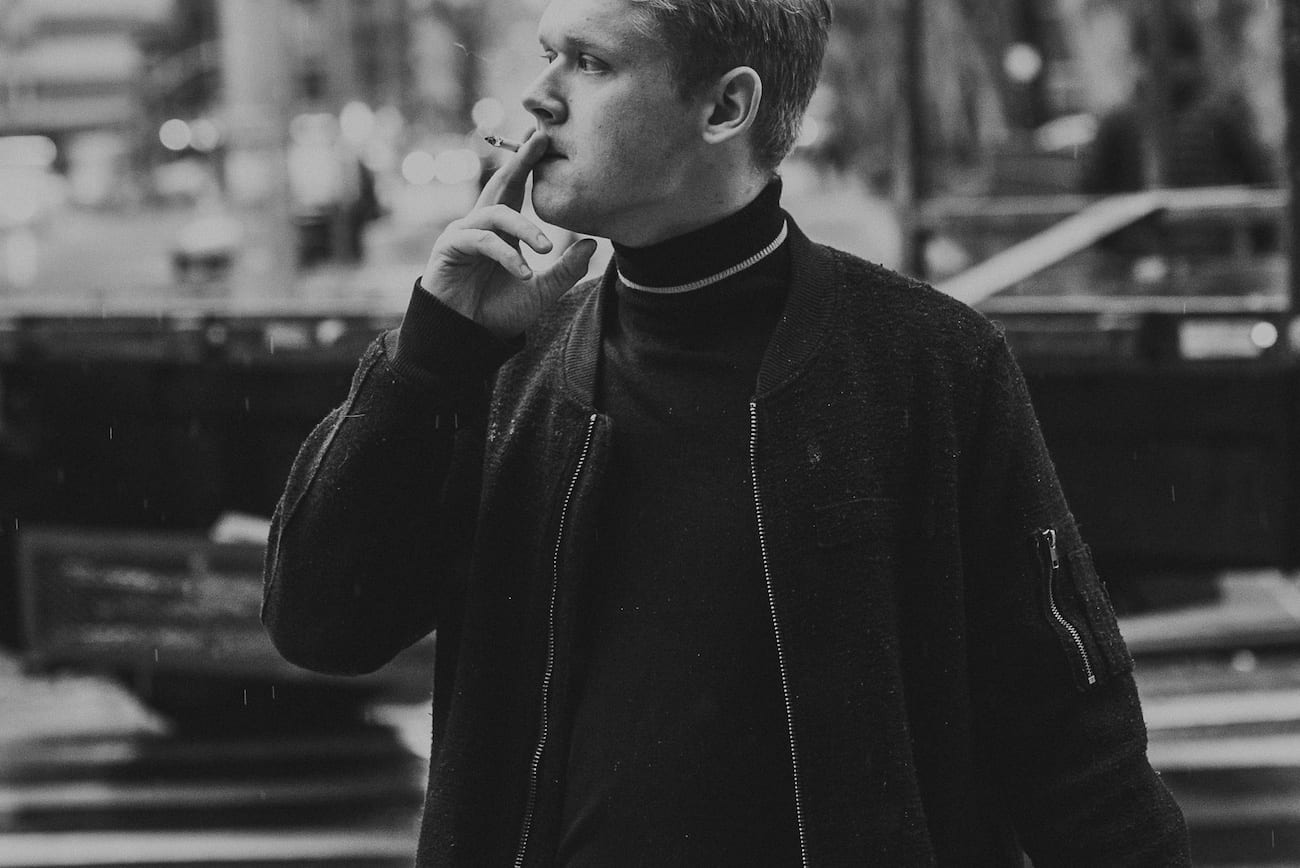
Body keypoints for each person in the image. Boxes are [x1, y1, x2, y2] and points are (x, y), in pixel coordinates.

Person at [262, 0, 1190, 864]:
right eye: (549, 55)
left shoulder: (930, 367)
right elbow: (321, 623)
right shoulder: (504, 367)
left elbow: (1077, 752)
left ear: (725, 108)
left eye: (589, 63)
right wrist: (431, 355)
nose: (537, 97)